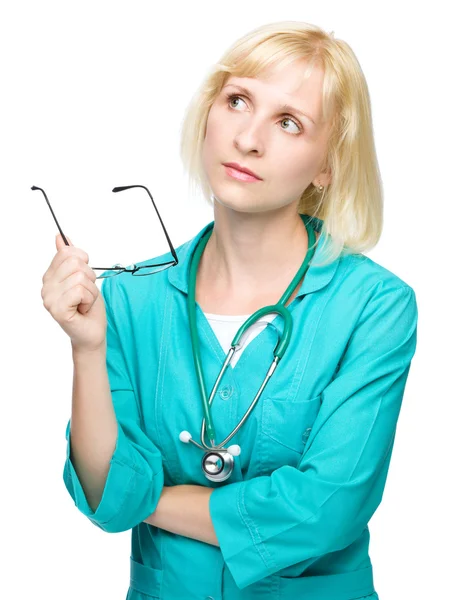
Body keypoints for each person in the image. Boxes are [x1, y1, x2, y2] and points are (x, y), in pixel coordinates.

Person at [41, 20, 418, 600]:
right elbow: (106, 498)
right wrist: (87, 348)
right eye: (238, 101)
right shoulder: (128, 301)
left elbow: (325, 509)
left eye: (289, 122)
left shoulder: (373, 307)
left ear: (326, 166)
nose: (248, 139)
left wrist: (154, 499)